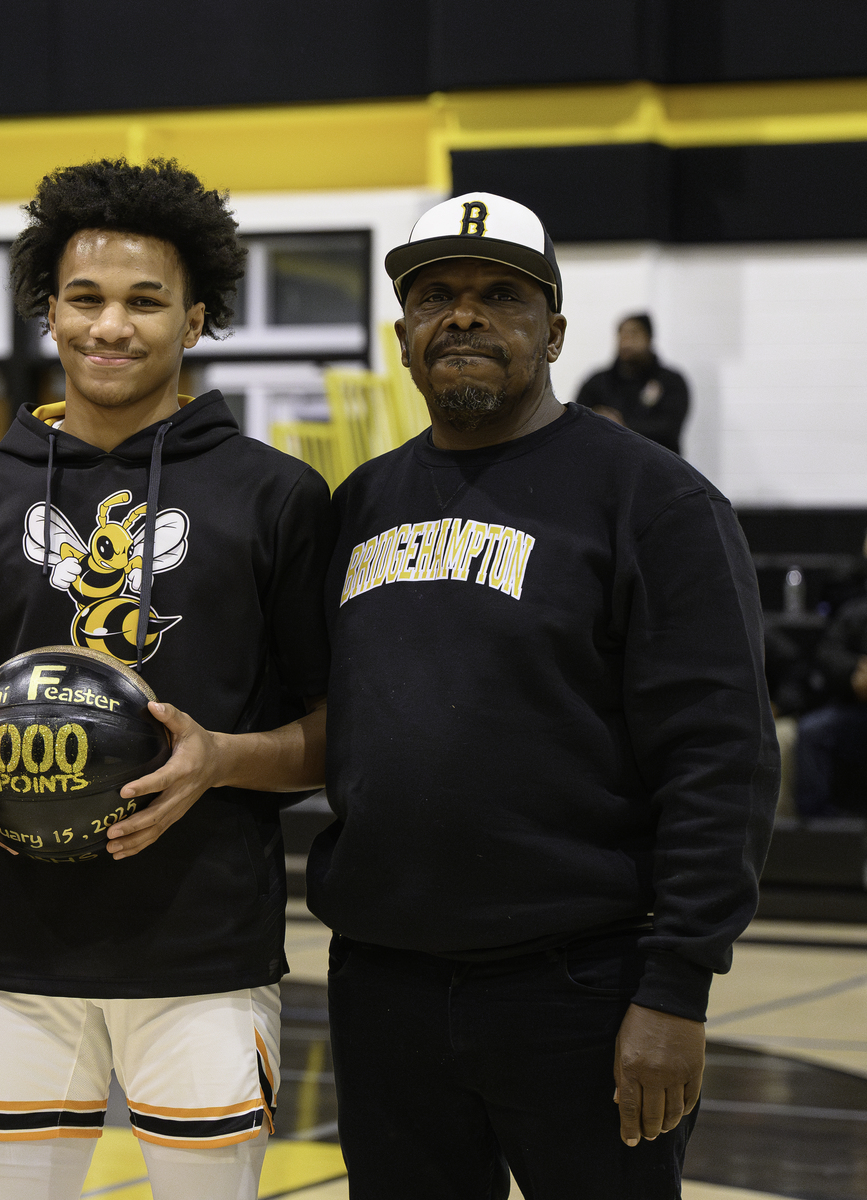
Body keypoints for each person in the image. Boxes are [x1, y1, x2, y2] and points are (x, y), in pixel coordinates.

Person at [311, 193, 777, 1197]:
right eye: (436, 295)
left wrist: (678, 987)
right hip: (383, 984)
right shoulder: (360, 504)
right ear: (404, 336)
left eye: (501, 296)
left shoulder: (656, 500)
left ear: (554, 331)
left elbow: (719, 758)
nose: (465, 316)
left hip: (582, 989)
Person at [0, 158, 333, 1200]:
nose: (111, 326)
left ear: (196, 320)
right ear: (47, 311)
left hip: (203, 956)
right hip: (10, 952)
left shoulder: (276, 497)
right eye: (85, 298)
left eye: (147, 301)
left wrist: (220, 761)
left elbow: (342, 728)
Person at [576, 313, 690, 454]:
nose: (627, 342)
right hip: (609, 468)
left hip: (658, 467)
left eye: (634, 334)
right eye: (622, 335)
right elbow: (577, 422)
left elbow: (669, 427)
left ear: (648, 338)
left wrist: (621, 426)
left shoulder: (670, 381)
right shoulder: (598, 382)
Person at [795, 594, 867, 818]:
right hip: (859, 713)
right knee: (812, 730)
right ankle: (818, 831)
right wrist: (854, 670)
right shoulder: (857, 611)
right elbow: (827, 653)